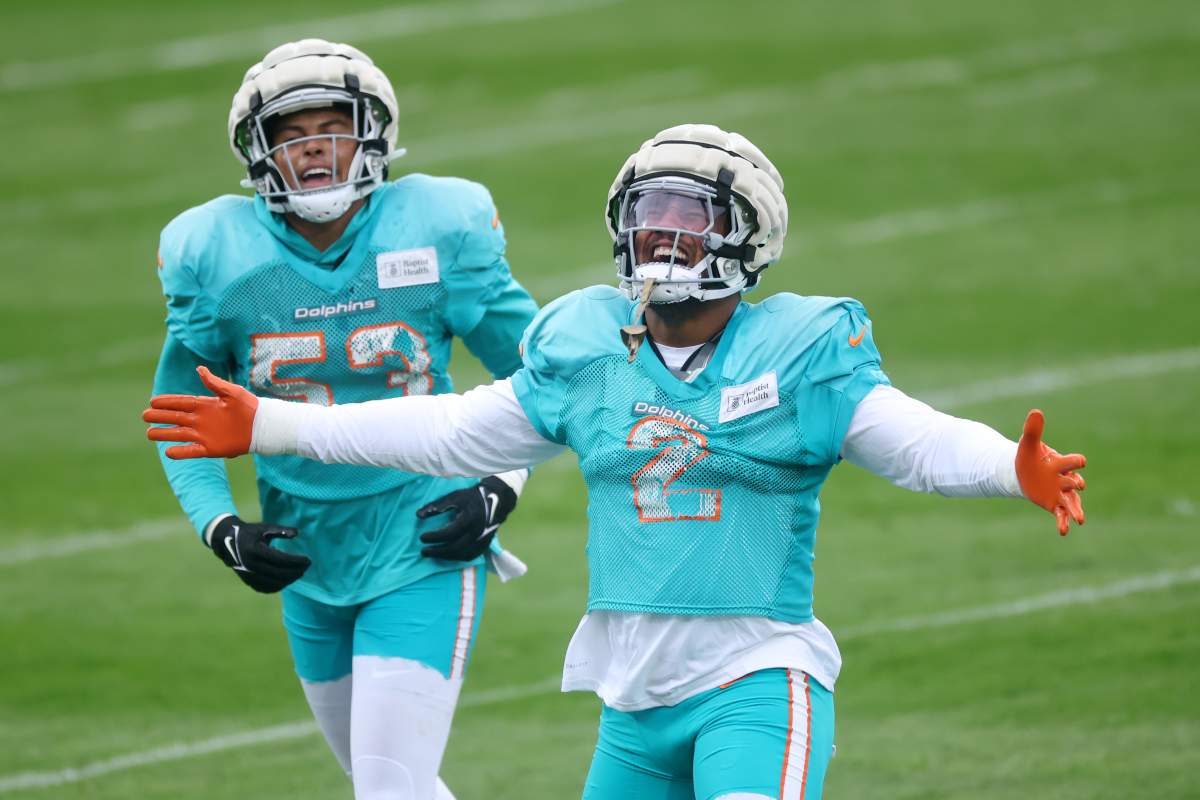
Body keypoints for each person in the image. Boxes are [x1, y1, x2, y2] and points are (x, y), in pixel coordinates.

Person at [145, 123, 1087, 800]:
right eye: (648, 214)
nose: (661, 237)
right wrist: (273, 426)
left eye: (690, 217)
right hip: (632, 703)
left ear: (746, 236)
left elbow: (913, 439)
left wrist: (1011, 467)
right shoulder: (590, 346)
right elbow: (449, 430)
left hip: (757, 679)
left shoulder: (800, 351)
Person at [148, 38, 538, 800]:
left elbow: (541, 378)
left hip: (423, 538)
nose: (314, 149)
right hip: (306, 555)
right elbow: (180, 420)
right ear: (259, 153)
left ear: (374, 138)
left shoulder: (436, 227)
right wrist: (221, 528)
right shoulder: (217, 254)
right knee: (393, 785)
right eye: (292, 135)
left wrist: (501, 483)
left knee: (387, 789)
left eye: (333, 129)